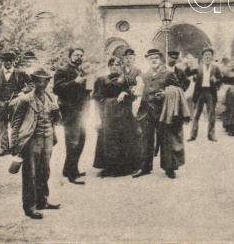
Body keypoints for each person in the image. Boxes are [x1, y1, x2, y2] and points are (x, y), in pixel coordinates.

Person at [10, 68, 61, 219]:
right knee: (30, 174)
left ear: (47, 82)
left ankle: (42, 201)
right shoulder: (25, 99)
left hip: (48, 138)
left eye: (44, 80)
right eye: (38, 80)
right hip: (32, 140)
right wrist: (14, 144)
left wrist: (57, 111)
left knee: (44, 171)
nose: (41, 84)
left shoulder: (51, 98)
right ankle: (29, 207)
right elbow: (16, 122)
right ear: (33, 81)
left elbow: (57, 120)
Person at [134, 49, 190, 178]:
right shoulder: (144, 75)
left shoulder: (168, 74)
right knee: (146, 139)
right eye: (151, 58)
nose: (153, 60)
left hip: (163, 112)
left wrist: (166, 93)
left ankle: (169, 168)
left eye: (156, 58)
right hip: (146, 111)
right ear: (147, 60)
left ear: (160, 59)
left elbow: (179, 89)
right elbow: (139, 91)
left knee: (166, 139)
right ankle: (145, 167)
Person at [92, 57, 140, 176]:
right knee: (109, 138)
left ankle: (125, 167)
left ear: (121, 66)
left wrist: (126, 93)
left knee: (124, 137)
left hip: (124, 113)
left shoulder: (127, 79)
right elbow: (97, 97)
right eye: (112, 64)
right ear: (108, 66)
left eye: (117, 64)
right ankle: (110, 167)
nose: (114, 66)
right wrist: (104, 108)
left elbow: (134, 94)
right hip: (108, 114)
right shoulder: (101, 80)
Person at [53, 48, 89, 184]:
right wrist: (75, 82)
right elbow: (56, 89)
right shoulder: (62, 70)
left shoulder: (81, 70)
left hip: (82, 110)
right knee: (73, 142)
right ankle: (72, 175)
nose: (79, 57)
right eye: (76, 55)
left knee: (81, 140)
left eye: (81, 55)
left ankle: (69, 169)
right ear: (70, 56)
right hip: (70, 110)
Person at [0, 52, 31, 157]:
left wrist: (23, 92)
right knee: (2, 126)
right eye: (5, 60)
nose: (8, 63)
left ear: (13, 61)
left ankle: (16, 148)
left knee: (16, 125)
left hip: (16, 102)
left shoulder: (20, 73)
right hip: (1, 104)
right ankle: (4, 149)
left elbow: (31, 84)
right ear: (2, 62)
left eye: (10, 60)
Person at [188, 48, 221, 142]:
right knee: (196, 115)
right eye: (206, 55)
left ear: (212, 57)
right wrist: (189, 66)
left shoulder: (216, 68)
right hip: (200, 93)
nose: (207, 56)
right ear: (202, 57)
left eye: (209, 55)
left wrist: (216, 81)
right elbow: (189, 74)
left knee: (211, 115)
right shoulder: (197, 67)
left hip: (211, 92)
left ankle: (211, 135)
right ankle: (193, 135)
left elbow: (221, 79)